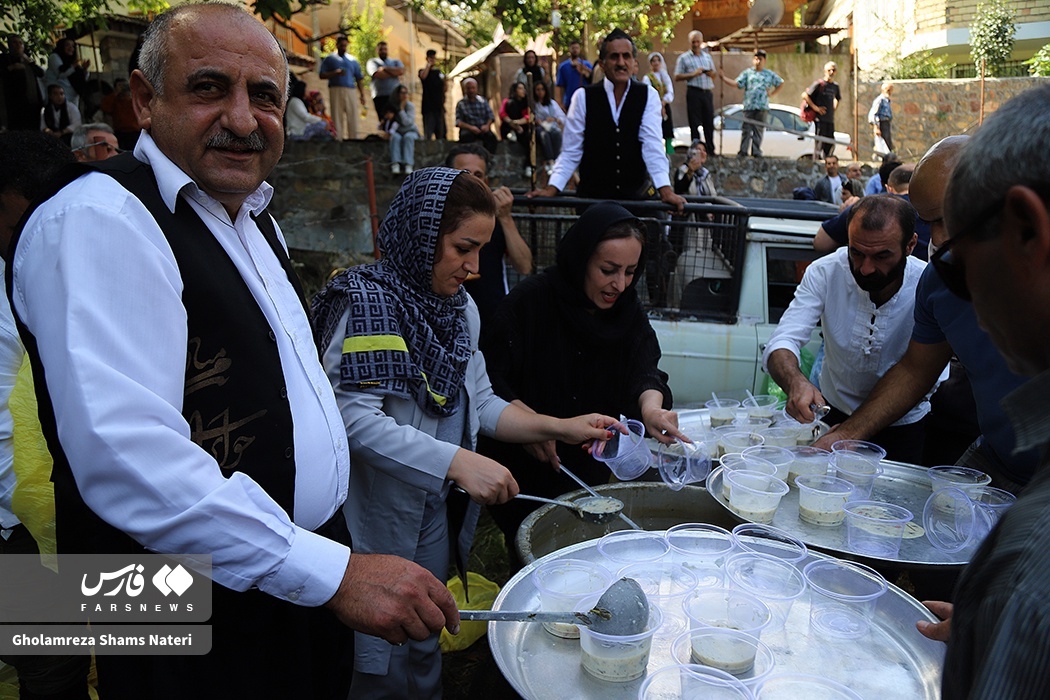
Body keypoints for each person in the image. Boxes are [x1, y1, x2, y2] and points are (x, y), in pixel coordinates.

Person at [10, 5, 460, 697]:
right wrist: (328, 569)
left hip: (291, 578)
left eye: (266, 97)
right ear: (143, 99)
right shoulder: (99, 219)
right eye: (209, 88)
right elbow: (129, 457)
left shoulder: (252, 217)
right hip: (183, 597)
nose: (244, 120)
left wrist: (326, 559)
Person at [310, 167, 617, 698]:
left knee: (424, 625)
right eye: (462, 249)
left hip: (430, 509)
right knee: (374, 649)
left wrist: (558, 426)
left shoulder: (458, 311)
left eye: (481, 250)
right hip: (373, 512)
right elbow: (353, 421)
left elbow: (483, 403)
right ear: (422, 235)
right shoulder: (365, 305)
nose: (475, 267)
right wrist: (456, 462)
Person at [917, 83, 1050, 700]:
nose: (953, 285)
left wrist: (1004, 624)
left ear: (1028, 231)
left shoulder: (1029, 569)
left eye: (958, 261)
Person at [815, 136, 1039, 490]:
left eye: (946, 219)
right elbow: (915, 369)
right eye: (927, 222)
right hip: (999, 457)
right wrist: (847, 433)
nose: (938, 237)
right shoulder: (939, 283)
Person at [481, 202, 687, 553]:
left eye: (630, 272)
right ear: (580, 258)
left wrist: (652, 409)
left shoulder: (626, 310)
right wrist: (535, 424)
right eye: (608, 269)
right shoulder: (530, 303)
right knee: (530, 545)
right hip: (528, 455)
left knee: (584, 546)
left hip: (588, 457)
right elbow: (491, 377)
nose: (619, 284)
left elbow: (645, 367)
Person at [0, 129, 91, 700]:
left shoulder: (82, 265)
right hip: (22, 529)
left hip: (88, 519)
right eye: (15, 223)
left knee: (135, 649)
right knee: (51, 672)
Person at [763, 195, 944, 463]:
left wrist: (851, 432)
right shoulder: (825, 272)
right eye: (856, 253)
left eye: (882, 256)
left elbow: (918, 372)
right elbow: (784, 339)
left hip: (903, 426)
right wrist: (796, 382)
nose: (866, 268)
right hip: (832, 419)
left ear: (910, 245)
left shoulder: (928, 285)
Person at [529, 29, 685, 210]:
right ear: (602, 64)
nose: (621, 63)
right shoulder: (583, 97)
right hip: (594, 201)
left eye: (626, 56)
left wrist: (665, 189)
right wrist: (552, 187)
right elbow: (571, 151)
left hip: (634, 199)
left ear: (634, 62)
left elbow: (652, 145)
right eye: (614, 57)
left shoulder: (647, 95)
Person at [445, 143, 533, 327]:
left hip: (492, 318)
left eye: (478, 175)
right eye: (465, 174)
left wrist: (506, 217)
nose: (472, 181)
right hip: (446, 315)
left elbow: (524, 266)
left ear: (486, 181)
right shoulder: (436, 219)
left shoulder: (496, 218)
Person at [718, 49, 783, 158]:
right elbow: (737, 83)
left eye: (760, 59)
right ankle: (743, 151)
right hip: (749, 106)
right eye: (756, 59)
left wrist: (771, 94)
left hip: (762, 106)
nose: (758, 61)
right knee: (746, 129)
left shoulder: (768, 74)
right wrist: (723, 78)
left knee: (758, 130)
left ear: (764, 61)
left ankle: (756, 151)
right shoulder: (748, 73)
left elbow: (780, 83)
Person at [674, 31, 717, 156]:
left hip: (707, 92)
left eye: (698, 41)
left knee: (709, 122)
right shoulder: (684, 58)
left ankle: (710, 150)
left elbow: (714, 74)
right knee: (694, 122)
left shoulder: (707, 57)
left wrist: (710, 73)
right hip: (694, 92)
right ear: (690, 42)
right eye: (693, 42)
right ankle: (696, 150)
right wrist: (693, 74)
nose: (696, 44)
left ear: (701, 42)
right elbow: (677, 76)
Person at [318, 34, 366, 140]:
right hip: (335, 88)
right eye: (341, 45)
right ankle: (338, 139)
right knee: (337, 116)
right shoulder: (330, 59)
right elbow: (321, 75)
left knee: (352, 116)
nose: (343, 48)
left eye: (345, 45)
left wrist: (362, 94)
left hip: (350, 90)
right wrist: (336, 73)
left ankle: (354, 139)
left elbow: (359, 78)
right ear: (337, 45)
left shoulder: (353, 60)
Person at [1, 35, 45, 132]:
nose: (18, 45)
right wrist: (12, 68)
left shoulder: (27, 60)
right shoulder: (4, 59)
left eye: (20, 43)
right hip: (14, 104)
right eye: (15, 43)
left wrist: (26, 59)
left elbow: (40, 73)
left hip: (32, 103)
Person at [802, 61, 841, 159]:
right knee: (820, 142)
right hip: (820, 119)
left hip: (830, 119)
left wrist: (833, 109)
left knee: (830, 141)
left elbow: (838, 98)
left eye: (834, 70)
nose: (831, 72)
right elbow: (805, 95)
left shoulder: (835, 86)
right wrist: (816, 108)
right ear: (825, 71)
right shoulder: (819, 84)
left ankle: (827, 160)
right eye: (829, 70)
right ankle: (817, 162)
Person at [641, 51, 674, 154]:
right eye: (653, 61)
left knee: (667, 126)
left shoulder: (664, 76)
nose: (656, 63)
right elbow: (649, 92)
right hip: (654, 106)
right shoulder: (647, 78)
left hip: (665, 104)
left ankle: (669, 149)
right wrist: (659, 104)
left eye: (658, 60)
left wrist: (664, 102)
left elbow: (670, 91)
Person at [454, 77, 498, 153]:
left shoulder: (483, 101)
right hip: (468, 130)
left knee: (492, 139)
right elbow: (458, 122)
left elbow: (491, 116)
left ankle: (488, 158)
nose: (471, 90)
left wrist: (487, 126)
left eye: (473, 88)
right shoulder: (461, 104)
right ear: (465, 90)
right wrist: (470, 128)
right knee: (465, 140)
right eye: (469, 88)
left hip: (482, 129)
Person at [44, 38, 88, 110]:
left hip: (73, 98)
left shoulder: (72, 61)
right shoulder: (54, 57)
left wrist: (84, 69)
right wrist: (73, 66)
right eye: (67, 45)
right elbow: (61, 74)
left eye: (73, 46)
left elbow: (82, 78)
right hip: (59, 96)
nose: (71, 48)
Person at [499, 81, 532, 176]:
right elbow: (502, 114)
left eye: (523, 88)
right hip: (509, 127)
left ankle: (528, 166)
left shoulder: (526, 103)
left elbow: (528, 117)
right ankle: (511, 132)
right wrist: (513, 125)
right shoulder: (507, 101)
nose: (523, 91)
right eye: (520, 88)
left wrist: (518, 124)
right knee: (511, 104)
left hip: (522, 128)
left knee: (529, 141)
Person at [385, 84, 420, 175]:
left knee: (408, 138)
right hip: (397, 131)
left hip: (410, 130)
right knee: (395, 138)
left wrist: (401, 110)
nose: (404, 95)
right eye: (402, 93)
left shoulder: (410, 106)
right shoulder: (392, 106)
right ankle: (395, 164)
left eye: (406, 93)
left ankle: (408, 164)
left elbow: (408, 122)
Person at [531, 81, 565, 170]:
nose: (540, 92)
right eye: (538, 90)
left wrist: (554, 119)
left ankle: (557, 159)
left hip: (552, 126)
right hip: (540, 128)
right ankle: (550, 160)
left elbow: (562, 117)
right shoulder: (534, 105)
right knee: (544, 135)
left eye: (542, 89)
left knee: (556, 133)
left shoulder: (552, 103)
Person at [366, 41, 404, 118]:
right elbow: (378, 74)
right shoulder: (372, 62)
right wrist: (393, 73)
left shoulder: (395, 61)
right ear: (377, 50)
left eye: (385, 49)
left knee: (396, 121)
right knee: (384, 121)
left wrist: (384, 69)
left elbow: (401, 71)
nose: (383, 51)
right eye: (381, 49)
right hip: (379, 96)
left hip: (394, 96)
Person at [100, 77, 139, 151]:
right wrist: (116, 93)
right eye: (121, 85)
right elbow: (105, 107)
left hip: (135, 132)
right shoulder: (114, 100)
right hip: (120, 133)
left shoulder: (134, 99)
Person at [555, 40, 592, 110]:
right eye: (573, 48)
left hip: (585, 100)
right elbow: (559, 86)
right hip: (569, 101)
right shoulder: (563, 66)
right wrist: (559, 103)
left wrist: (585, 70)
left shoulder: (587, 65)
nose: (575, 50)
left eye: (577, 48)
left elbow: (593, 79)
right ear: (569, 49)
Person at [418, 49, 446, 140]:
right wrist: (428, 65)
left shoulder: (439, 73)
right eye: (431, 58)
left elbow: (444, 88)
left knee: (441, 133)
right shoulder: (422, 71)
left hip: (439, 107)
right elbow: (423, 77)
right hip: (428, 107)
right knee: (428, 134)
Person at [868, 81, 894, 155]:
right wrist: (876, 127)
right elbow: (873, 114)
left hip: (886, 123)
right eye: (888, 90)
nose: (889, 92)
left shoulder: (887, 100)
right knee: (882, 144)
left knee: (887, 143)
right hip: (881, 123)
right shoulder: (880, 100)